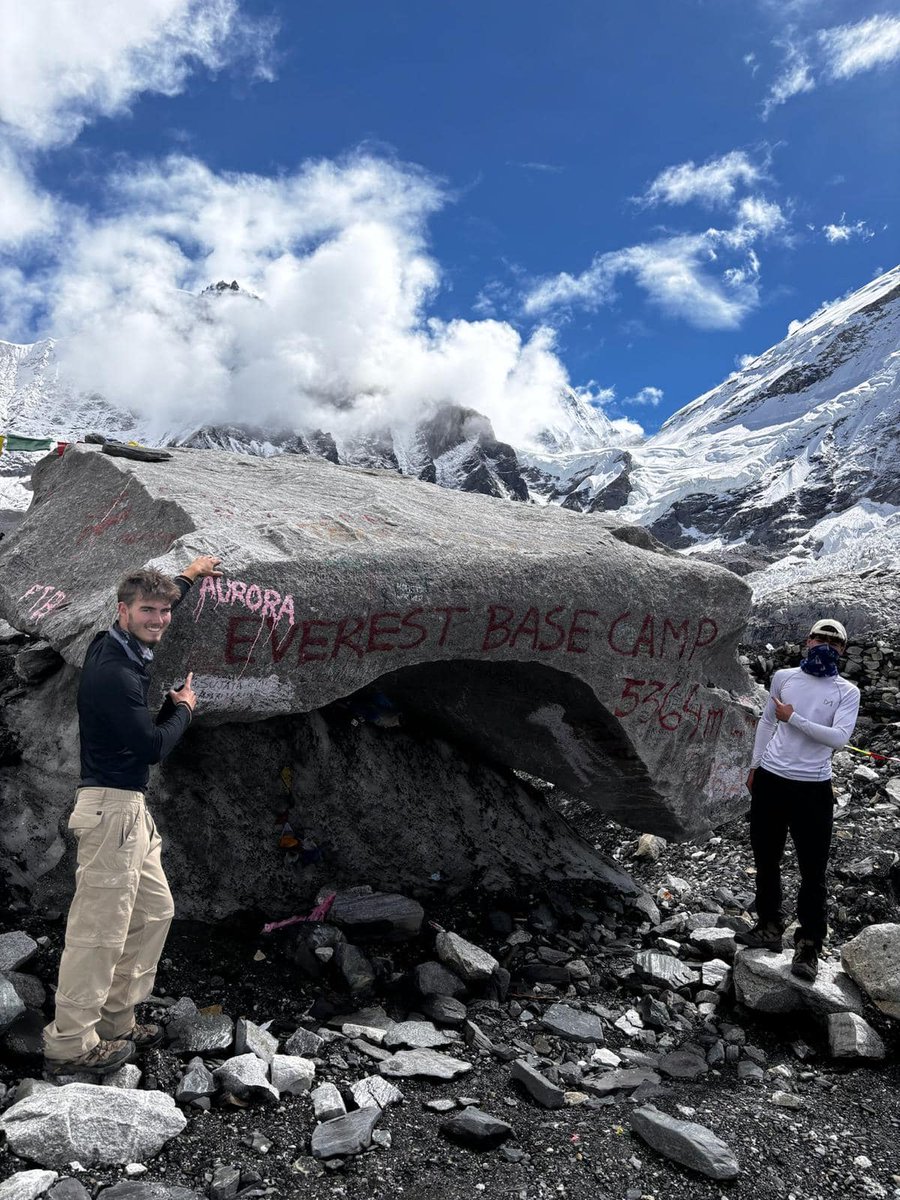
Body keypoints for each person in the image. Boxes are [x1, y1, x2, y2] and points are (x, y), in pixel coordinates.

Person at [43, 555, 222, 1075]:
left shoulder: (114, 640)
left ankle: (117, 1019)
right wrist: (182, 708)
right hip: (110, 810)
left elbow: (162, 600)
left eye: (165, 610)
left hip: (129, 811)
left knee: (153, 911)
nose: (160, 619)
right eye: (149, 610)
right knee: (98, 930)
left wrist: (189, 576)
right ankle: (70, 1043)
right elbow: (150, 747)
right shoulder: (114, 671)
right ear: (123, 611)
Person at [735, 618, 860, 981]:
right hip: (772, 779)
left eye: (834, 642)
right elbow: (768, 723)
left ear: (842, 650)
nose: (826, 645)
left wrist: (796, 718)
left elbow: (838, 738)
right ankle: (769, 926)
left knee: (813, 871)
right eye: (820, 638)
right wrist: (755, 765)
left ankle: (809, 946)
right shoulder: (784, 677)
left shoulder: (847, 691)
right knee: (766, 858)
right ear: (807, 640)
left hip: (814, 787)